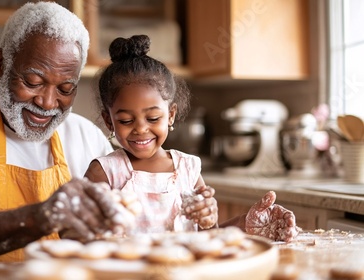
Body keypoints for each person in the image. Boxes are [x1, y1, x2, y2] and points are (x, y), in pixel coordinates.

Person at [0, 2, 296, 264]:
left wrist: (241, 226)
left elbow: (156, 232)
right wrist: (44, 217)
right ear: (2, 64)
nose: (48, 102)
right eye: (32, 81)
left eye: (66, 88)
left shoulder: (87, 139)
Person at [84, 35, 299, 241]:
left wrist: (233, 223)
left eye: (153, 118)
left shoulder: (187, 169)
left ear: (170, 115)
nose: (140, 129)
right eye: (126, 121)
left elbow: (207, 238)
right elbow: (77, 237)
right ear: (109, 121)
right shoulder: (104, 172)